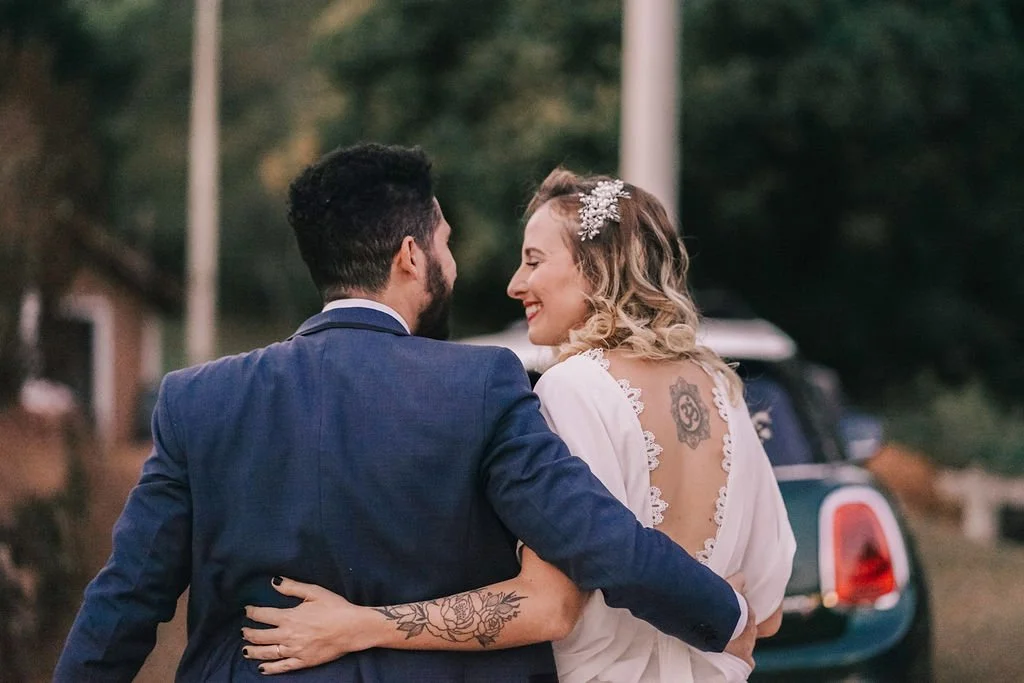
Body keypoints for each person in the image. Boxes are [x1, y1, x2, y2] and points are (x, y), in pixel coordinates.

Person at [53, 145, 757, 682]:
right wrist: (722, 613)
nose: (454, 258)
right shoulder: (482, 385)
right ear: (411, 256)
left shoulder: (197, 400)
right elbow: (598, 538)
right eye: (446, 242)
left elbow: (126, 598)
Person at [241, 168, 796, 681]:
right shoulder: (721, 388)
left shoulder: (572, 388)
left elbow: (546, 606)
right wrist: (720, 611)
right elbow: (765, 618)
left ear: (595, 266)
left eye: (533, 260)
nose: (515, 283)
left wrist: (360, 624)